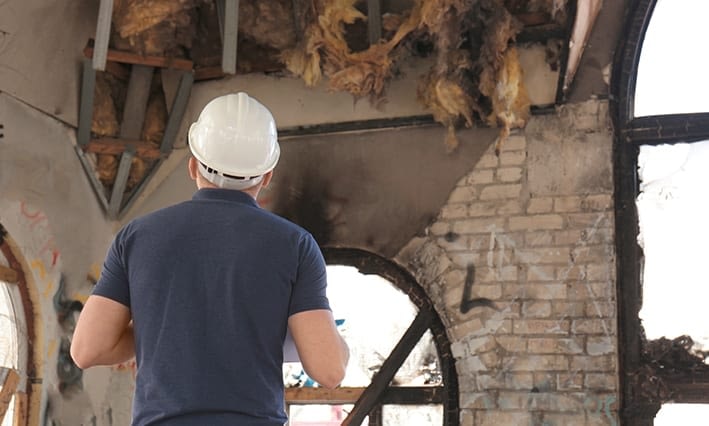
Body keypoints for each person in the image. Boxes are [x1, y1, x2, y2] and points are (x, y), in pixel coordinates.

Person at [71, 92, 350, 425]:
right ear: (267, 175)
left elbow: (88, 349)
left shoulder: (136, 237)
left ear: (192, 165)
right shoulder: (295, 245)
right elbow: (329, 370)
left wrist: (160, 327)